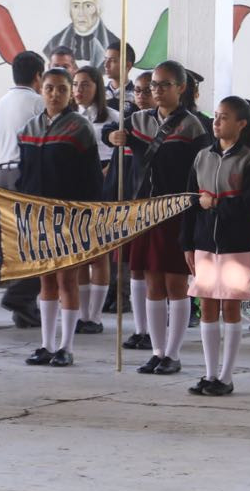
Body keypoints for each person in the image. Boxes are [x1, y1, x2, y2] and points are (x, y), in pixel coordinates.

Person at [110, 60, 211, 375]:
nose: (157, 90)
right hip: (144, 211)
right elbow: (109, 131)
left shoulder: (193, 126)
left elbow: (199, 168)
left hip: (176, 210)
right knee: (151, 280)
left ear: (181, 88)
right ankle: (156, 350)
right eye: (154, 85)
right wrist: (115, 137)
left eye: (165, 85)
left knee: (175, 282)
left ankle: (173, 353)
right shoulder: (137, 119)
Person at [17, 68, 103, 367]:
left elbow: (91, 177)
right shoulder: (29, 128)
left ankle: (66, 346)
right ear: (41, 90)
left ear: (70, 94)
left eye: (62, 89)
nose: (55, 94)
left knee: (67, 280)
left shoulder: (79, 128)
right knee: (46, 280)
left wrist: (89, 216)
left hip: (69, 216)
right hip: (37, 216)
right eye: (50, 88)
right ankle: (46, 344)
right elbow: (24, 175)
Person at [181, 97, 250, 395]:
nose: (216, 122)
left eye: (224, 117)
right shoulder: (202, 156)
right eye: (216, 116)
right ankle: (209, 373)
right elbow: (190, 202)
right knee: (207, 306)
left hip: (236, 245)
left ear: (241, 124)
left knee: (230, 306)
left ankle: (226, 377)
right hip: (204, 242)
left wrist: (215, 204)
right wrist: (187, 243)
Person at [0, 51, 46, 328]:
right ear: (38, 76)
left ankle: (24, 309)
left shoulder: (0, 104)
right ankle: (19, 294)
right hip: (25, 172)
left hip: (2, 173)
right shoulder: (38, 102)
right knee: (36, 239)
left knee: (17, 242)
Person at [109, 71, 157, 350]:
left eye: (147, 90)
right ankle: (140, 329)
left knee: (155, 272)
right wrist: (112, 136)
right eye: (137, 90)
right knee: (134, 268)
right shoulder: (129, 121)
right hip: (128, 203)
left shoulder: (169, 123)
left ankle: (155, 330)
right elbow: (109, 133)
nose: (141, 96)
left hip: (153, 203)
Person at [72, 66, 114, 335]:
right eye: (75, 84)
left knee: (98, 254)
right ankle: (81, 313)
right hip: (76, 187)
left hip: (102, 185)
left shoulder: (112, 117)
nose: (79, 90)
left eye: (85, 84)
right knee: (78, 254)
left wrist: (105, 172)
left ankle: (95, 316)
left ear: (97, 87)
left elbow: (118, 153)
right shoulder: (70, 117)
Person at [44, 0, 122, 67]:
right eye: (75, 6)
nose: (81, 13)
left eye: (88, 5)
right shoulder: (53, 43)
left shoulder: (116, 44)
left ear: (98, 8)